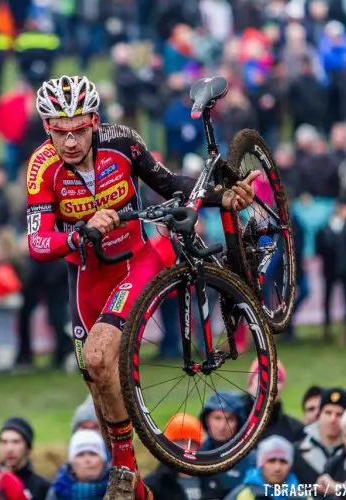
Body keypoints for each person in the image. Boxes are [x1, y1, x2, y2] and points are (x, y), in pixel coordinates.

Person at [26, 74, 260, 499]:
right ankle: (135, 486)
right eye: (61, 132)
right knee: (99, 382)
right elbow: (38, 242)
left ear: (94, 121)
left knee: (98, 353)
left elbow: (169, 184)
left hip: (138, 261)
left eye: (79, 129)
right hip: (86, 280)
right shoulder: (42, 167)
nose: (72, 140)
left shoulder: (122, 143)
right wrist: (79, 232)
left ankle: (123, 477)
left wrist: (220, 196)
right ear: (47, 129)